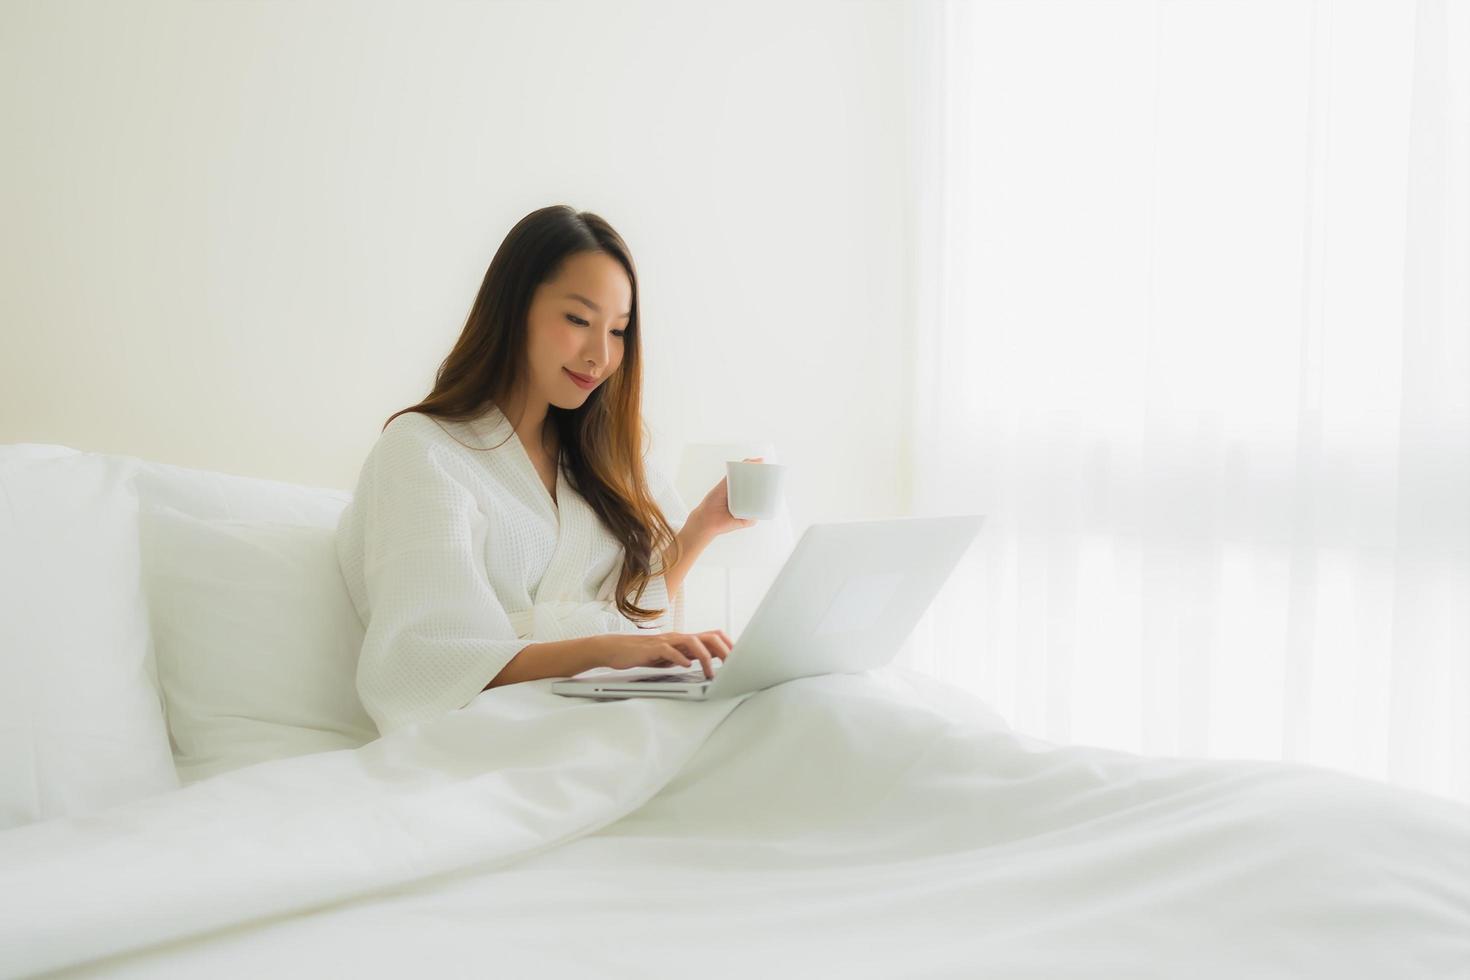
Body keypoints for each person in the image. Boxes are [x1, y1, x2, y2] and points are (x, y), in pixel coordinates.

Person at [336, 205, 758, 736]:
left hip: (611, 708)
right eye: (578, 320)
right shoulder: (422, 451)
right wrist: (607, 651)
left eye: (619, 331)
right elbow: (429, 659)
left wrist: (700, 528)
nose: (599, 356)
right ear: (515, 308)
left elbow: (633, 617)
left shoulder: (608, 458)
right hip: (495, 726)